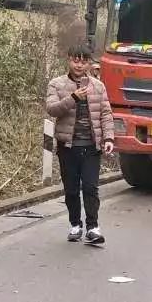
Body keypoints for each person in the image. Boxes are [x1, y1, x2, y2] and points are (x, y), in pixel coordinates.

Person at [45, 47, 115, 244]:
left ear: (89, 64)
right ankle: (75, 224)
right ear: (69, 60)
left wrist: (108, 138)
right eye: (76, 60)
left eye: (83, 61)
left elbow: (106, 114)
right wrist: (73, 98)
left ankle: (93, 227)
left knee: (91, 187)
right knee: (72, 189)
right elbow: (52, 109)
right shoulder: (56, 84)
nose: (79, 65)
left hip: (92, 146)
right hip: (68, 146)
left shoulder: (98, 86)